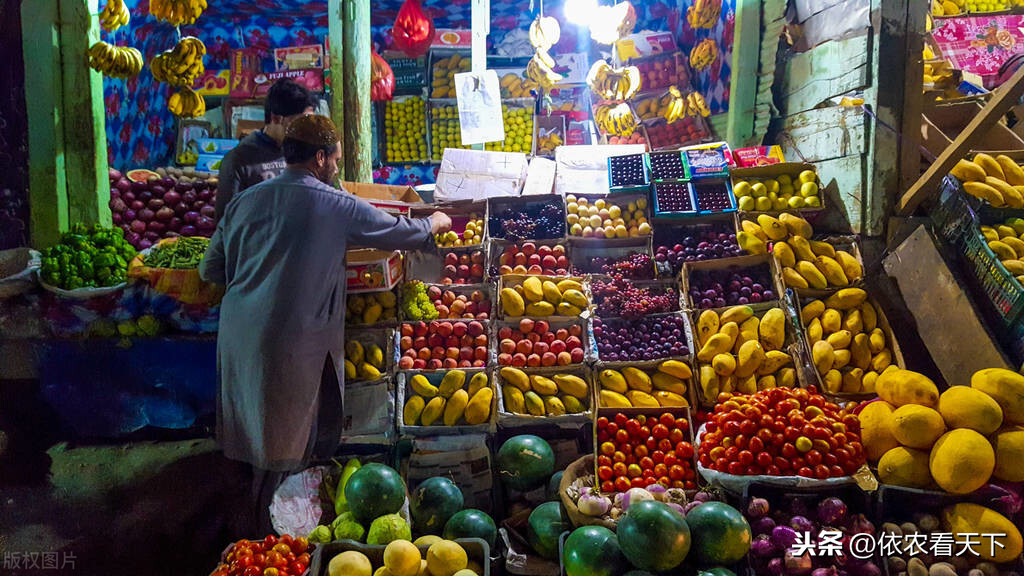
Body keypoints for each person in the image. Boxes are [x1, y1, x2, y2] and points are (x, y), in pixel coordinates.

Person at [199, 115, 451, 532]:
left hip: (238, 330)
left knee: (251, 421)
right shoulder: (334, 203)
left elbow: (211, 270)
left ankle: (253, 507)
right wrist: (433, 223)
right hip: (291, 335)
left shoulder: (245, 201)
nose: (336, 166)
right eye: (334, 158)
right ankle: (275, 530)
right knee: (288, 433)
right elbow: (394, 232)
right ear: (320, 158)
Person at [215, 79, 320, 218]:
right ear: (276, 118)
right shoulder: (239, 159)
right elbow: (225, 221)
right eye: (300, 122)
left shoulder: (305, 153)